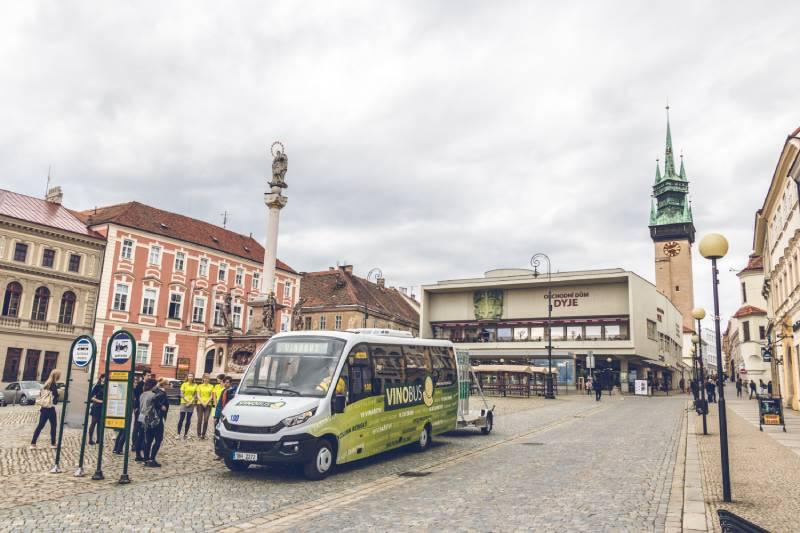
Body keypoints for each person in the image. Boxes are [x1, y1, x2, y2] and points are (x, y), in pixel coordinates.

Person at [140, 378, 169, 467]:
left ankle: (146, 459)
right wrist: (161, 406)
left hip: (145, 419)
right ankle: (152, 459)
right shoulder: (154, 394)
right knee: (158, 439)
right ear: (153, 386)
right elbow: (155, 401)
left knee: (148, 440)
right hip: (155, 420)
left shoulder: (143, 394)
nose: (157, 386)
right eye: (156, 384)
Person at [30, 370, 61, 449]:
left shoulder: (46, 383)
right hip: (50, 408)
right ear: (57, 376)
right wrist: (57, 395)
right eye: (59, 375)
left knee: (40, 425)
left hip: (43, 408)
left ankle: (33, 443)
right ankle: (53, 444)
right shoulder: (53, 385)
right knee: (53, 425)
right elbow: (55, 398)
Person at [213, 376, 237, 460]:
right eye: (224, 382)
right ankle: (220, 452)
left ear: (230, 383)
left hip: (229, 416)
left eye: (227, 382)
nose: (225, 384)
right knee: (218, 434)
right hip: (222, 415)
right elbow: (219, 405)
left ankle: (229, 452)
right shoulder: (224, 391)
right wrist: (216, 416)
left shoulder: (234, 391)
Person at [195, 374, 215, 439]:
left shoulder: (211, 386)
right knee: (199, 420)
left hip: (208, 405)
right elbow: (198, 395)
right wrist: (202, 402)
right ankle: (198, 434)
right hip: (200, 404)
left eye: (207, 378)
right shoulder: (199, 386)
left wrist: (206, 402)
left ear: (209, 379)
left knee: (206, 420)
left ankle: (203, 434)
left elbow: (212, 396)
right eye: (205, 378)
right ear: (203, 379)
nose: (206, 379)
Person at [177, 374, 197, 439]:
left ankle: (185, 434)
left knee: (188, 420)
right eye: (189, 376)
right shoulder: (184, 384)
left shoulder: (195, 385)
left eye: (191, 376)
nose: (190, 377)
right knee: (181, 419)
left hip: (191, 403)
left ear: (193, 377)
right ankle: (178, 434)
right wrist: (187, 401)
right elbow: (181, 394)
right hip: (184, 402)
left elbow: (195, 395)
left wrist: (191, 402)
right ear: (187, 377)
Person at [88, 374, 105, 445]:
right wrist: (100, 401)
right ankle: (90, 439)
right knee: (93, 423)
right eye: (103, 378)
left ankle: (99, 439)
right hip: (96, 407)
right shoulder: (97, 386)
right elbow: (91, 397)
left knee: (100, 424)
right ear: (101, 378)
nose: (104, 379)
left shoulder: (107, 387)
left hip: (103, 408)